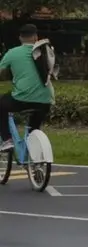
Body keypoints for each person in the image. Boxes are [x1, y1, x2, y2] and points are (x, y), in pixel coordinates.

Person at [0, 24, 55, 153]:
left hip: (22, 98)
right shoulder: (44, 52)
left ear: (20, 38)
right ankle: (34, 156)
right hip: (46, 99)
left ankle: (7, 140)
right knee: (33, 130)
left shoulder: (13, 53)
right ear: (36, 37)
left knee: (1, 105)